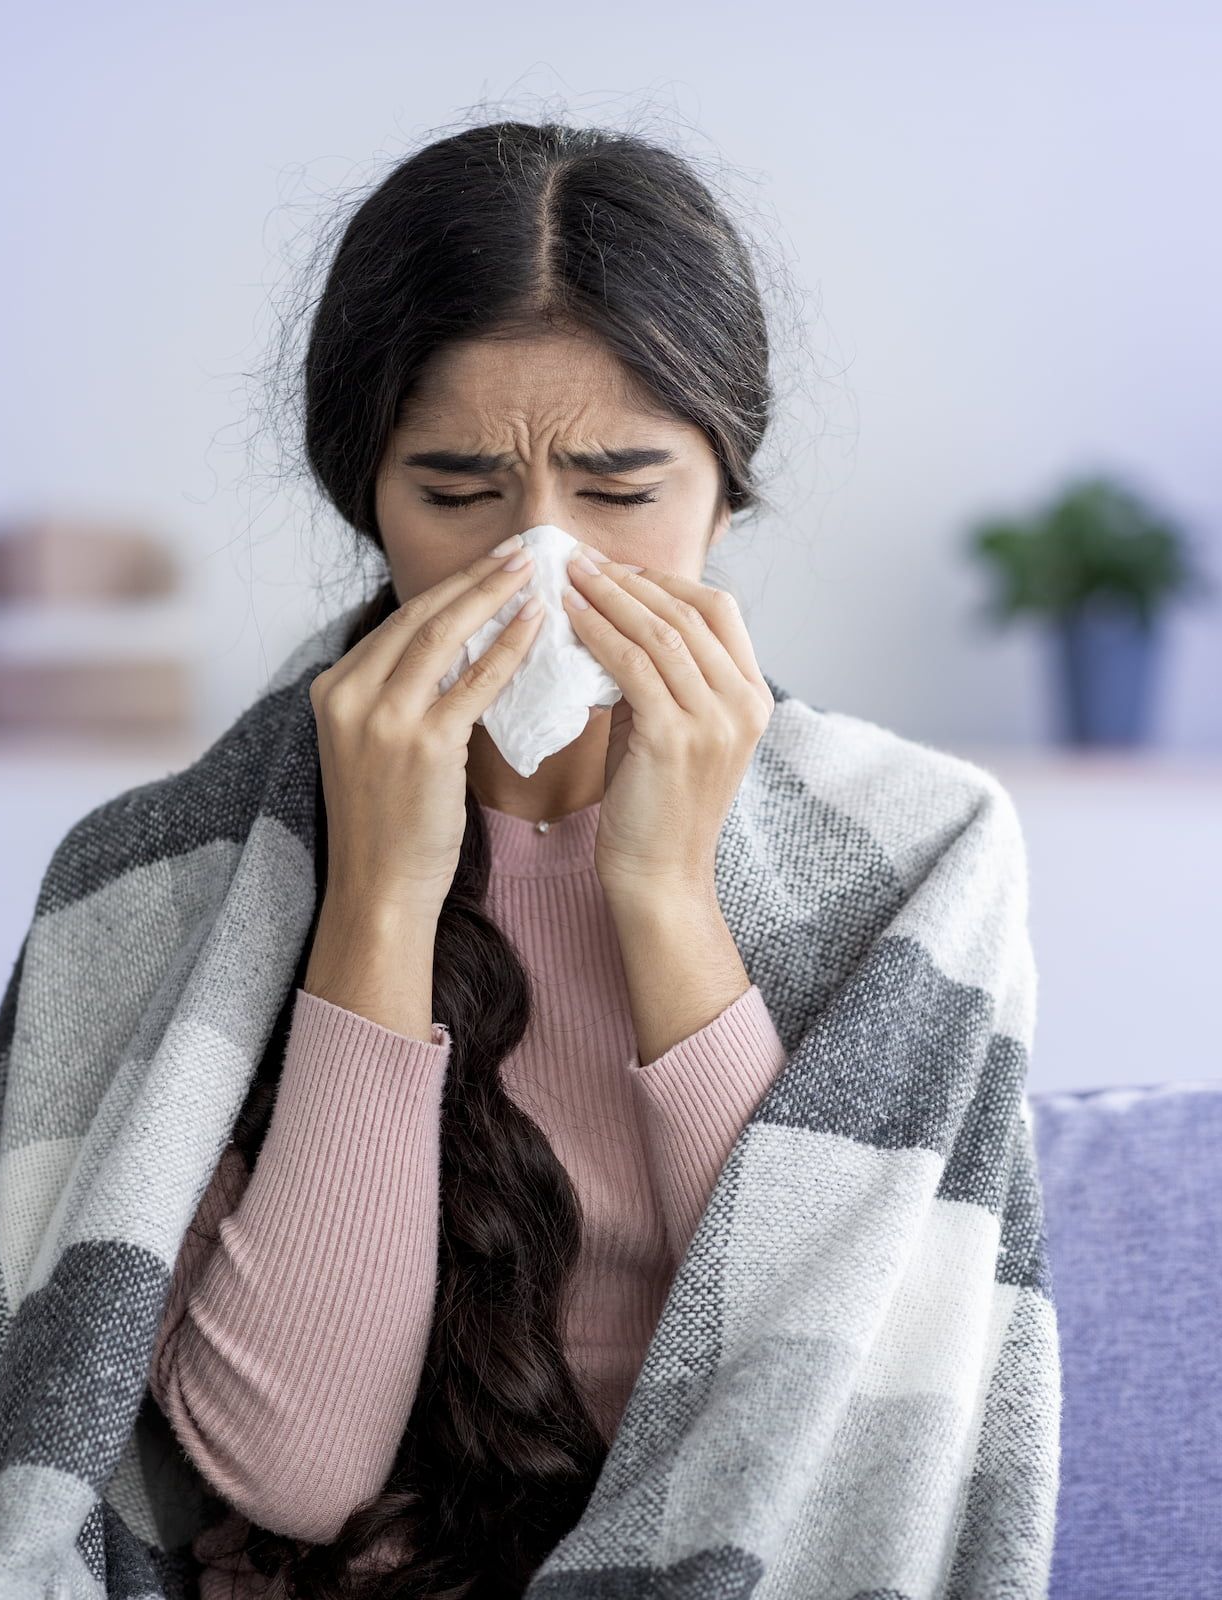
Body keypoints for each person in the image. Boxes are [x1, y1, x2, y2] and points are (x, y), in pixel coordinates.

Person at [144, 118, 794, 1598]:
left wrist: (661, 895)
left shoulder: (914, 859)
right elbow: (293, 1473)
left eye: (621, 494)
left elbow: (819, 1416)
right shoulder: (177, 875)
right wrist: (378, 891)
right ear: (365, 500)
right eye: (456, 495)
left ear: (726, 493)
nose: (539, 564)